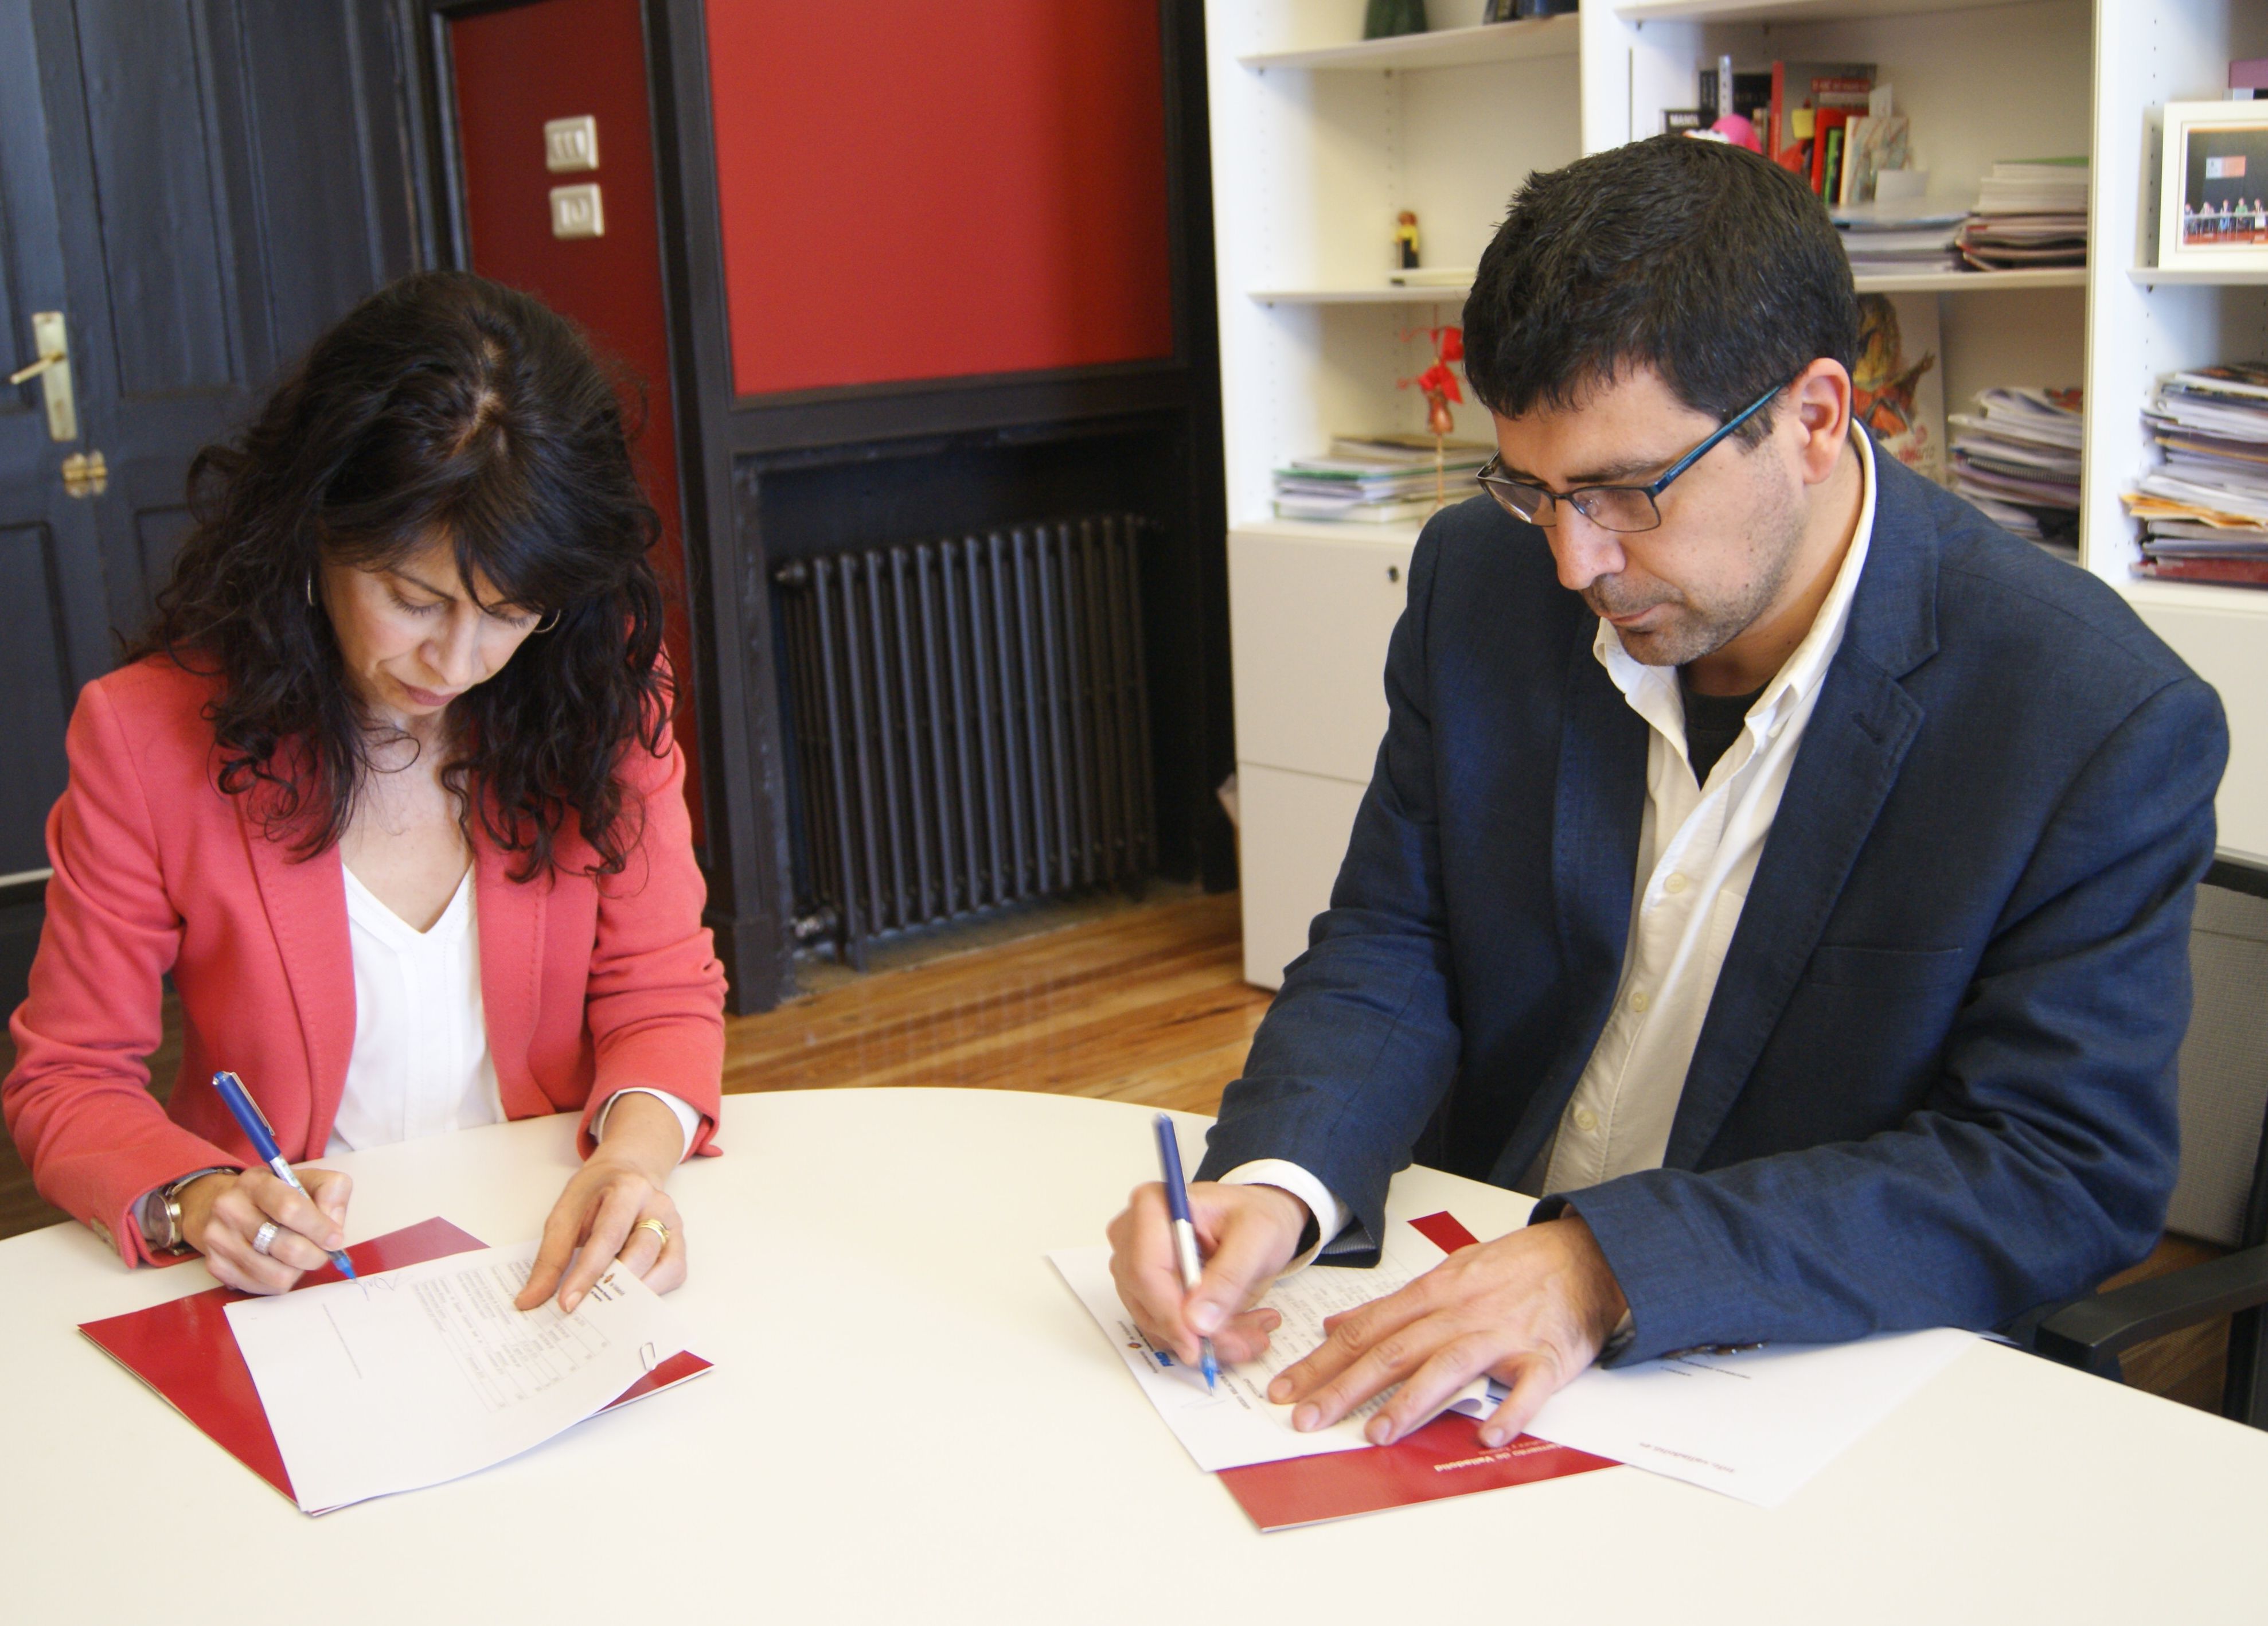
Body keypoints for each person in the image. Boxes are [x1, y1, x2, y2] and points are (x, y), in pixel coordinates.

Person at [1108, 137, 2225, 1452]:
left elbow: (2058, 1169)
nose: (1573, 561)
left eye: (1623, 492)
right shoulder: (1481, 579)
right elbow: (1395, 936)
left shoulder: (2085, 714)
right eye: (1531, 489)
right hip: (1473, 1291)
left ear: (1814, 418)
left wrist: (1605, 1266)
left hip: (1797, 1375)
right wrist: (1277, 1180)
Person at [2, 271, 725, 1315]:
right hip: (298, 1280)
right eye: (413, 599)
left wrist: (630, 1159)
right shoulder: (146, 737)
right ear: (314, 531)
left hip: (539, 1244)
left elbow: (661, 993)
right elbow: (69, 1077)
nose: (459, 662)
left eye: (512, 613)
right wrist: (199, 1200)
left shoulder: (594, 685)